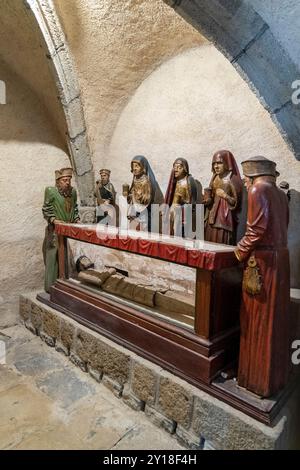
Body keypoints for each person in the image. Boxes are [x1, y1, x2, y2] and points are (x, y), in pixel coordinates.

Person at [234, 156, 290, 398]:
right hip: (281, 260)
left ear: (252, 176)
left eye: (246, 180)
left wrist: (239, 252)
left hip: (263, 262)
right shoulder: (279, 193)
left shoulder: (259, 189)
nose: (246, 185)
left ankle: (255, 379)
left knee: (258, 320)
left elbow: (256, 229)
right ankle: (274, 379)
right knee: (275, 321)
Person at [42, 167, 80, 293]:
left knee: (68, 258)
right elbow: (46, 208)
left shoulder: (72, 192)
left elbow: (74, 208)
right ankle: (51, 287)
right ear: (58, 182)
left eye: (69, 179)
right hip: (55, 231)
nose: (67, 182)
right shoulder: (51, 191)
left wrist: (76, 219)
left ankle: (66, 286)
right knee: (53, 257)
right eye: (64, 180)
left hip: (69, 230)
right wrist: (53, 220)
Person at [204, 150, 243, 245]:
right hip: (212, 217)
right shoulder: (214, 178)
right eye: (214, 163)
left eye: (219, 163)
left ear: (227, 163)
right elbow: (211, 196)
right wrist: (208, 200)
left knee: (222, 241)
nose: (216, 166)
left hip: (224, 220)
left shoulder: (232, 180)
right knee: (209, 240)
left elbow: (236, 203)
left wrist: (225, 196)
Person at [123, 155, 163, 231]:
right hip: (135, 208)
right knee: (133, 227)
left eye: (137, 166)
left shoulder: (146, 181)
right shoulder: (135, 179)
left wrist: (137, 196)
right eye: (133, 166)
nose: (134, 168)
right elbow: (132, 193)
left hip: (145, 209)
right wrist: (128, 194)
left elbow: (147, 197)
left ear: (143, 167)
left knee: (144, 227)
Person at [164, 158, 199, 237]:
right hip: (173, 210)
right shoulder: (174, 181)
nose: (176, 170)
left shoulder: (189, 181)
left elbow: (192, 202)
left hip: (182, 212)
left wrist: (181, 202)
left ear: (185, 169)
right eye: (175, 167)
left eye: (179, 168)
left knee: (179, 232)